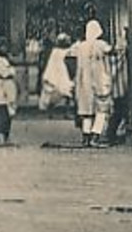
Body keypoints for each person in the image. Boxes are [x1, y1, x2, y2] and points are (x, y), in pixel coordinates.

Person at [70, 19, 113, 148]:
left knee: (86, 112)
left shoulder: (80, 46)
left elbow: (70, 54)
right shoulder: (101, 44)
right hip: (99, 81)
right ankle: (96, 136)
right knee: (101, 110)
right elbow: (111, 51)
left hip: (84, 81)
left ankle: (86, 137)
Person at [0, 38, 19, 148]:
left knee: (8, 114)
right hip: (0, 88)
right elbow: (5, 73)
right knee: (0, 113)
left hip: (7, 87)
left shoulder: (4, 59)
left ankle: (5, 138)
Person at [39, 32, 74, 112]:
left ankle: (65, 110)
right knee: (58, 91)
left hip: (62, 73)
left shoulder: (64, 51)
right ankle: (52, 110)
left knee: (66, 90)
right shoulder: (56, 52)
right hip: (57, 73)